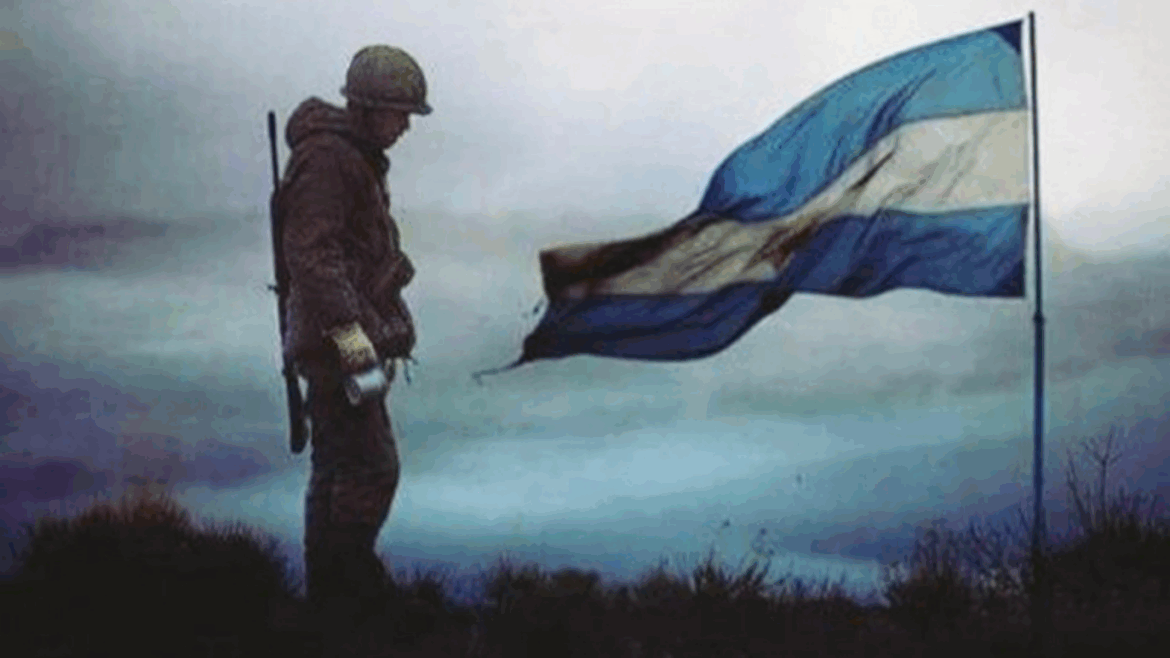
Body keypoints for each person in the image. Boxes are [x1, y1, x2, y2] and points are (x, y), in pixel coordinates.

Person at [274, 44, 431, 614]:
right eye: (399, 113)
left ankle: (331, 602)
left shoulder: (348, 157)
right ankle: (350, 588)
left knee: (337, 466)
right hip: (339, 346)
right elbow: (312, 256)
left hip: (340, 341)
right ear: (367, 107)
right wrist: (354, 340)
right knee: (371, 466)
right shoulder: (330, 160)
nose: (406, 126)